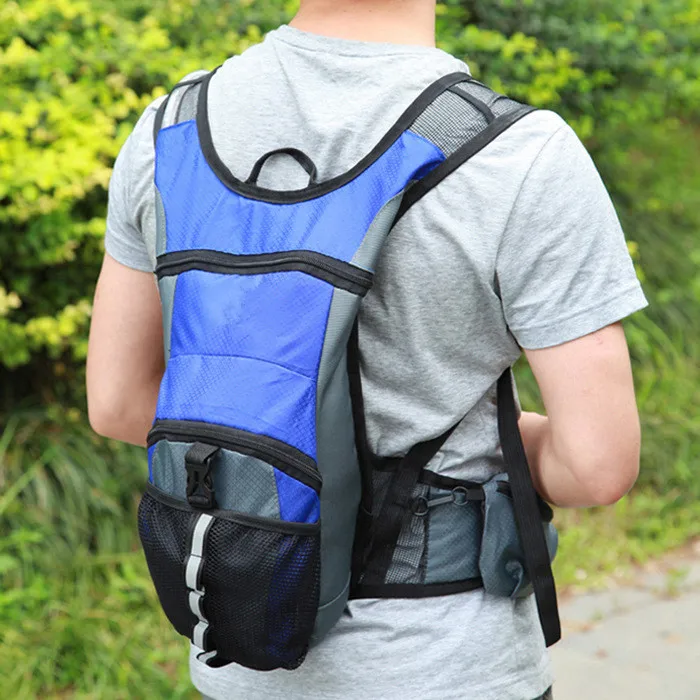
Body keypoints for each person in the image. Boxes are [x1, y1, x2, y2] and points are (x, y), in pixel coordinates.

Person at [86, 1, 648, 698]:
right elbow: (597, 466)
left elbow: (118, 402)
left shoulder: (169, 129)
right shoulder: (518, 151)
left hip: (239, 650)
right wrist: (515, 438)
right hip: (442, 665)